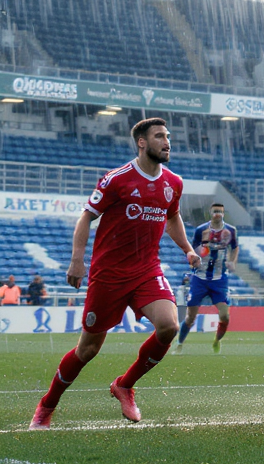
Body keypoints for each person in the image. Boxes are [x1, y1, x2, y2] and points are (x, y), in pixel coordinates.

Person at [30, 118, 200, 429]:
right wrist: (77, 261)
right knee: (88, 350)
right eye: (159, 136)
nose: (167, 142)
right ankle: (47, 405)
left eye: (168, 136)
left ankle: (124, 385)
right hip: (108, 275)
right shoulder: (116, 180)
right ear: (142, 142)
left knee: (168, 326)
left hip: (147, 269)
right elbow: (86, 217)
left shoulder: (173, 182)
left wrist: (187, 249)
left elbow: (173, 216)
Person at [176, 204, 238, 354]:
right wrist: (194, 260)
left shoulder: (230, 231)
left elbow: (235, 247)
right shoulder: (201, 230)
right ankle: (179, 344)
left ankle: (217, 341)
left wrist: (232, 261)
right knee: (190, 317)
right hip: (200, 278)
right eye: (215, 211)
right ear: (210, 213)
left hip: (219, 279)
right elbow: (192, 249)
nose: (217, 214)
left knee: (225, 316)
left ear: (223, 213)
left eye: (220, 212)